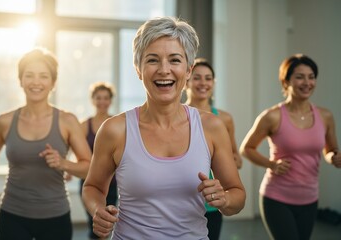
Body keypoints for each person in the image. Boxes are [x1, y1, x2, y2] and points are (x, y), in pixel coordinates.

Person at [82, 16, 246, 239]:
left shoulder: (212, 127)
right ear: (138, 69)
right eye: (152, 60)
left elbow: (237, 195)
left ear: (188, 70)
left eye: (174, 60)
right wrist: (98, 210)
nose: (164, 70)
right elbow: (93, 187)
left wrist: (225, 200)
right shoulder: (115, 130)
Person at [0, 48, 91, 240]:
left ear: (53, 83)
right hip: (12, 215)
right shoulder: (4, 121)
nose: (36, 82)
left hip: (55, 217)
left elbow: (90, 168)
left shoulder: (67, 121)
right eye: (29, 75)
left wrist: (63, 164)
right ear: (20, 80)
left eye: (43, 76)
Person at [240, 54, 341, 240]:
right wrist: (271, 164)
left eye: (311, 77)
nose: (307, 82)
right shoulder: (272, 116)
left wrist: (334, 157)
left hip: (310, 198)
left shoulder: (325, 116)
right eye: (300, 77)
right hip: (277, 198)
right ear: (286, 82)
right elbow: (246, 148)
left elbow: (330, 150)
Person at [185, 57, 243, 240]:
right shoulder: (176, 115)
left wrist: (226, 162)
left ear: (214, 83)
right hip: (182, 199)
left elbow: (236, 158)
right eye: (197, 77)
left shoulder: (224, 119)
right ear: (186, 80)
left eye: (208, 78)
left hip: (212, 202)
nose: (203, 83)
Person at [79, 82, 118, 239]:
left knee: (107, 225)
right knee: (94, 224)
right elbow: (74, 150)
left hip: (112, 182)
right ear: (92, 100)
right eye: (98, 98)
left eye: (106, 98)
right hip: (89, 181)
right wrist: (68, 170)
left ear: (110, 100)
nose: (102, 101)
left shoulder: (117, 124)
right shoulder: (84, 126)